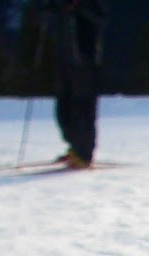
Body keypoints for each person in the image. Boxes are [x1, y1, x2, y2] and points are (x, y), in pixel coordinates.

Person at [42, 0, 105, 168]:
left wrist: (78, 8)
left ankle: (84, 154)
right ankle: (75, 148)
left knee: (82, 107)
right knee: (64, 107)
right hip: (64, 56)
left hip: (84, 58)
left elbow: (99, 16)